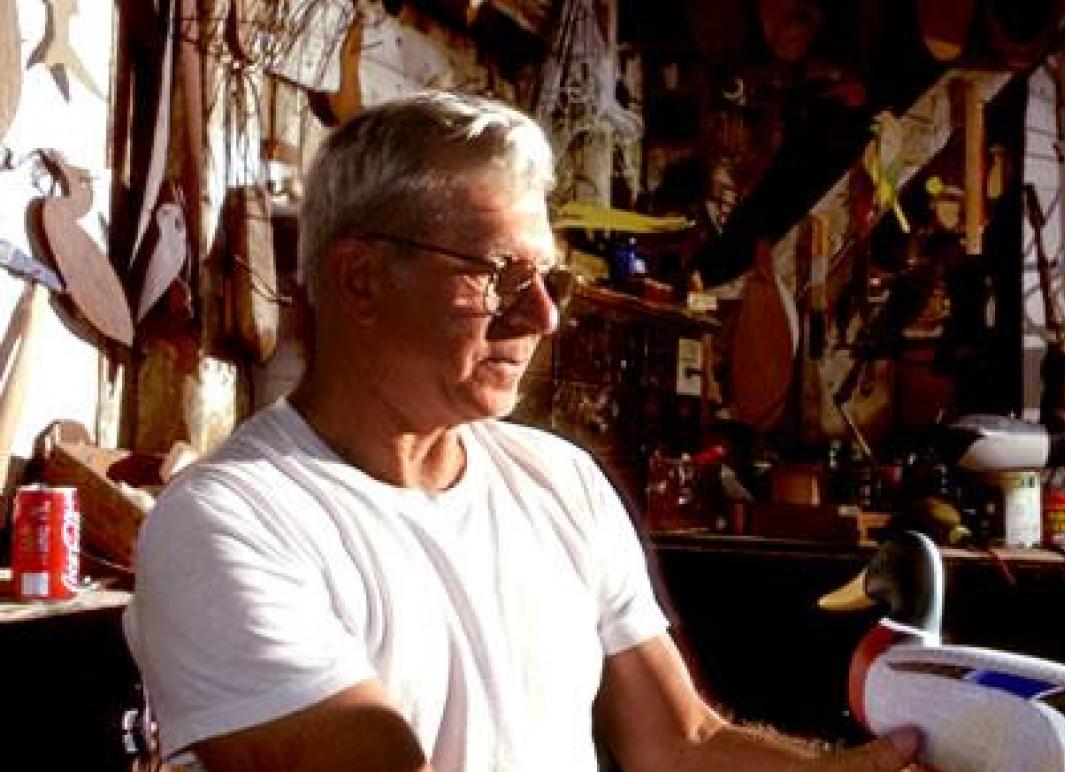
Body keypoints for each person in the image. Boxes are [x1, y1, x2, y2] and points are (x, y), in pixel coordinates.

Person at [123, 92, 924, 772]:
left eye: (549, 278)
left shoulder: (558, 481)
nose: (542, 316)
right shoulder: (229, 524)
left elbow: (680, 744)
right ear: (361, 279)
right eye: (500, 274)